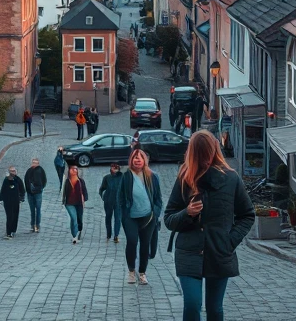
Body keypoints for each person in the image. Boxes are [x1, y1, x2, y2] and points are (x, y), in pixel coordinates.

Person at [164, 132, 255, 321]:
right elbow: (169, 218)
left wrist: (229, 241)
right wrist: (187, 213)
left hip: (219, 251)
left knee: (215, 309)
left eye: (208, 154)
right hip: (188, 252)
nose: (206, 160)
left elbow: (247, 215)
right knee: (192, 304)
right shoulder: (185, 177)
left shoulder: (231, 179)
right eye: (201, 154)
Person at [117, 149, 163, 285]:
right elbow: (120, 197)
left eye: (140, 157)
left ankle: (142, 273)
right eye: (135, 157)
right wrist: (123, 215)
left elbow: (158, 198)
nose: (137, 160)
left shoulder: (152, 176)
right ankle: (131, 271)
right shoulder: (126, 176)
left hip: (148, 217)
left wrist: (156, 212)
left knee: (145, 245)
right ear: (131, 160)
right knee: (132, 241)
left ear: (144, 160)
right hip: (130, 217)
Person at [62, 165, 88, 244]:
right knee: (74, 218)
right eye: (72, 169)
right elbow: (63, 192)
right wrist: (63, 200)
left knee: (79, 218)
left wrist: (84, 199)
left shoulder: (80, 181)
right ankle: (74, 236)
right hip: (69, 203)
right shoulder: (67, 181)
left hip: (79, 203)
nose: (74, 170)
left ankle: (79, 230)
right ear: (69, 170)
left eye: (76, 169)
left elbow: (84, 191)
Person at [99, 163, 123, 243]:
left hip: (118, 202)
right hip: (108, 201)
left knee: (118, 218)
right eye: (113, 167)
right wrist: (104, 197)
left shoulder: (122, 177)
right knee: (108, 217)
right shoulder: (107, 178)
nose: (114, 168)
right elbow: (102, 188)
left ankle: (116, 235)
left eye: (116, 167)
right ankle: (108, 234)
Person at [0, 166, 25, 239]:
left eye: (14, 171)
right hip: (8, 201)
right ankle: (8, 232)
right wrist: (1, 199)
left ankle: (13, 230)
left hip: (16, 201)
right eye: (11, 171)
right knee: (9, 216)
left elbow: (22, 190)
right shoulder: (6, 180)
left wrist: (21, 198)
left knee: (15, 216)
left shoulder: (18, 180)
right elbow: (3, 189)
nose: (13, 172)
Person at [24, 158, 47, 233]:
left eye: (36, 163)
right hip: (30, 193)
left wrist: (40, 189)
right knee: (32, 210)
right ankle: (32, 225)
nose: (34, 164)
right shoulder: (29, 171)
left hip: (38, 193)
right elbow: (26, 180)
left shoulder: (40, 171)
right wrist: (28, 190)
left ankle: (37, 225)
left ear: (38, 163)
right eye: (33, 162)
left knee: (38, 209)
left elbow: (44, 180)